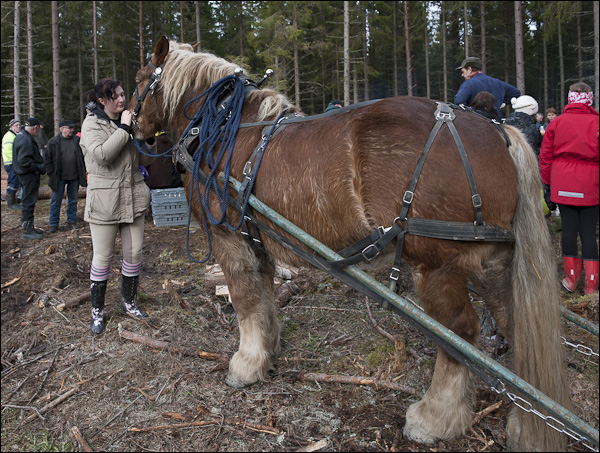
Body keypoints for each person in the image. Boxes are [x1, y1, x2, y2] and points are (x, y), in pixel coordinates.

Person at [80, 78, 157, 334]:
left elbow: (144, 159)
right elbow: (103, 155)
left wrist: (146, 136)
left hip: (133, 196)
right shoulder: (92, 124)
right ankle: (97, 312)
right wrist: (124, 130)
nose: (122, 99)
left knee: (134, 255)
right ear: (102, 101)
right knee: (102, 258)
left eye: (123, 94)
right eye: (116, 96)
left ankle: (129, 302)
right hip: (104, 200)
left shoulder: (129, 121)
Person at [539, 82, 599, 295]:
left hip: (563, 183)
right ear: (589, 99)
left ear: (570, 98)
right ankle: (591, 285)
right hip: (591, 184)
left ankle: (571, 280)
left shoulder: (557, 123)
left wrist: (547, 184)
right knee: (589, 233)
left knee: (569, 230)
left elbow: (545, 157)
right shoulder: (596, 122)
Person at [44, 120, 87, 232]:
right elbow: (47, 160)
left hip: (74, 177)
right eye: (69, 128)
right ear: (62, 129)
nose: (72, 130)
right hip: (59, 178)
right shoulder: (53, 142)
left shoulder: (77, 141)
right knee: (55, 201)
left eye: (72, 128)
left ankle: (71, 221)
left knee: (73, 200)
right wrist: (51, 173)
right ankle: (53, 224)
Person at [454, 57, 521, 119]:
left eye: (463, 72)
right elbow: (516, 93)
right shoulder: (498, 83)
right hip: (497, 126)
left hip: (476, 125)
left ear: (470, 69)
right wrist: (503, 103)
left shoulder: (469, 84)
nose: (462, 75)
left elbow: (458, 102)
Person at [12, 118, 46, 240]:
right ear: (36, 127)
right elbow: (24, 160)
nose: (38, 132)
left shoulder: (20, 136)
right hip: (29, 175)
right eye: (38, 129)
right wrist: (36, 169)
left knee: (27, 200)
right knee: (28, 201)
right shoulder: (26, 139)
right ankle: (27, 230)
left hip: (24, 174)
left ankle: (29, 228)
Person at [2, 119, 23, 210]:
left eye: (19, 125)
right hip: (11, 163)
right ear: (11, 127)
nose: (18, 126)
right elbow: (8, 151)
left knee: (16, 182)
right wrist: (15, 162)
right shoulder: (9, 136)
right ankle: (11, 204)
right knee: (13, 182)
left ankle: (14, 202)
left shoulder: (15, 136)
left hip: (14, 163)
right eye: (16, 125)